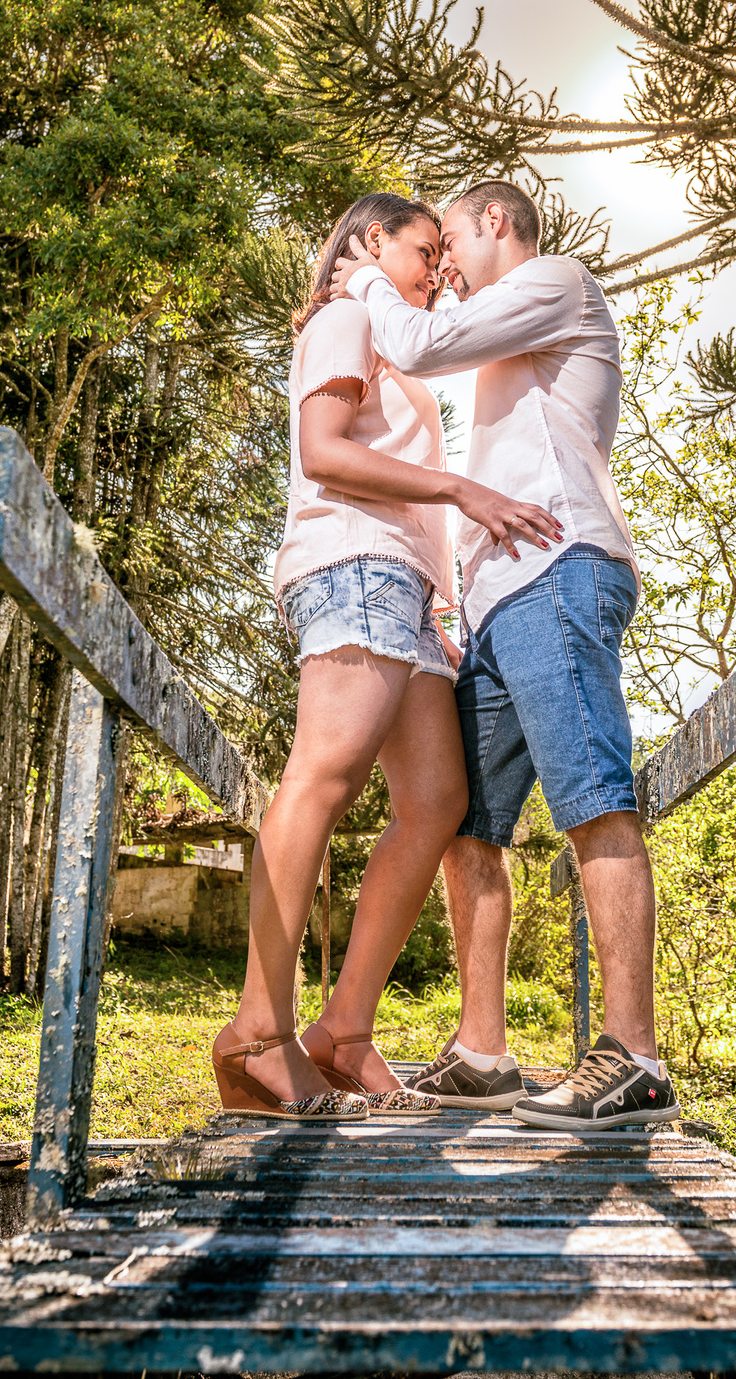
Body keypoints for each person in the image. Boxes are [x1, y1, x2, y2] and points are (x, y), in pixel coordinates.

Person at [330, 179, 681, 1131]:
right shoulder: (501, 328)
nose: (439, 259)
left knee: (592, 797)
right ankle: (483, 1051)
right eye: (426, 249)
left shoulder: (557, 281)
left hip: (559, 568)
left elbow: (417, 343)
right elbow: (444, 343)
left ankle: (633, 1054)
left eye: (447, 238)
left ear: (494, 222)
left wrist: (368, 276)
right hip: (497, 602)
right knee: (468, 824)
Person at [212, 191, 561, 1119]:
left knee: (438, 800)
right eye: (422, 249)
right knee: (323, 774)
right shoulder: (345, 315)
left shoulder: (396, 341)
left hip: (407, 589)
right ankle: (256, 1032)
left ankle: (345, 1029)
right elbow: (323, 452)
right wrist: (461, 487)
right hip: (352, 560)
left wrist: (443, 599)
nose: (436, 268)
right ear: (372, 243)